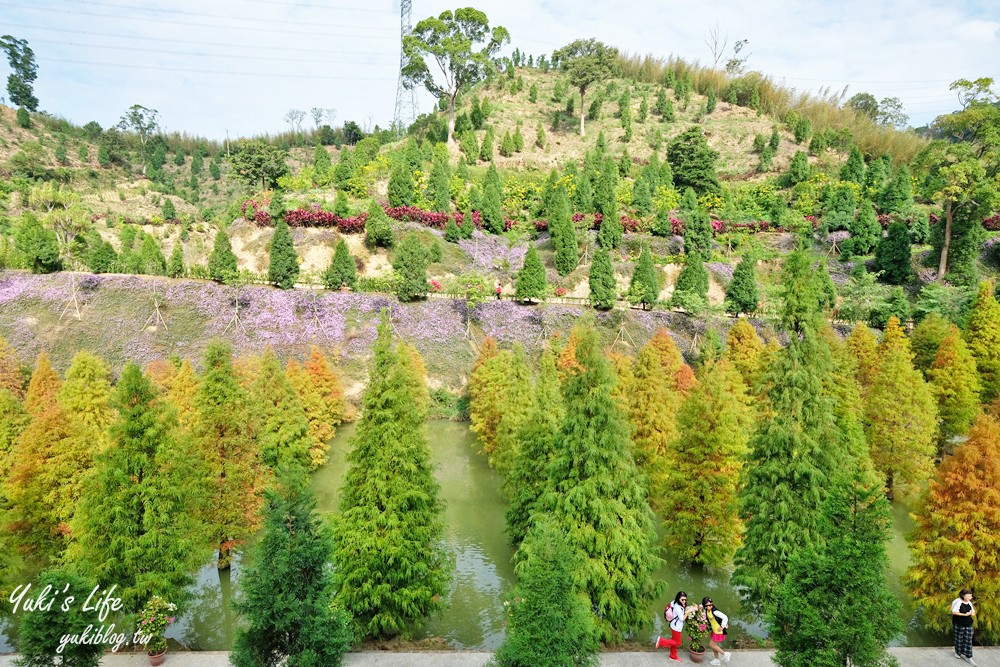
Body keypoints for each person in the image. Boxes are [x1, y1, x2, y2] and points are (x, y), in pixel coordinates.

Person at [654, 591, 690, 663]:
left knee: (674, 642)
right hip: (676, 627)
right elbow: (682, 618)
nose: (684, 601)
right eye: (682, 599)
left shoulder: (675, 602)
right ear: (678, 599)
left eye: (685, 600)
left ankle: (673, 656)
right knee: (678, 643)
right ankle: (661, 641)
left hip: (673, 625)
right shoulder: (677, 607)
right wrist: (688, 612)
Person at [951, 589, 977, 666]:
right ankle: (957, 652)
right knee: (959, 638)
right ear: (963, 596)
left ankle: (968, 656)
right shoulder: (958, 602)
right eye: (969, 596)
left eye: (971, 596)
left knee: (968, 639)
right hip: (959, 623)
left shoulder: (969, 602)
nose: (971, 597)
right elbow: (954, 612)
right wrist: (964, 614)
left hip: (968, 623)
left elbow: (973, 612)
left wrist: (972, 613)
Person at [702, 597, 731, 665]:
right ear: (705, 606)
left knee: (711, 644)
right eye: (707, 605)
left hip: (718, 631)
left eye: (711, 605)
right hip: (714, 630)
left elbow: (725, 617)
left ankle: (725, 654)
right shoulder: (707, 610)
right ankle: (717, 660)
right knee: (714, 645)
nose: (710, 606)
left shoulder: (715, 611)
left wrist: (722, 626)